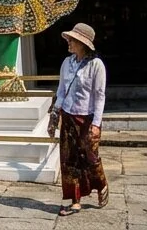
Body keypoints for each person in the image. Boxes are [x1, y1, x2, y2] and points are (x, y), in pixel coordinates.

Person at [50, 23, 108, 216]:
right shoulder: (67, 63)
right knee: (69, 160)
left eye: (73, 40)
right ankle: (75, 200)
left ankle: (101, 185)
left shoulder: (96, 65)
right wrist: (54, 114)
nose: (69, 42)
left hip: (87, 117)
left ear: (83, 43)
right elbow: (61, 90)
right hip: (68, 116)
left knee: (90, 157)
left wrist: (96, 124)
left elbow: (99, 96)